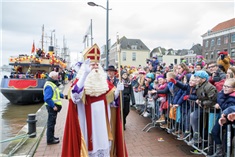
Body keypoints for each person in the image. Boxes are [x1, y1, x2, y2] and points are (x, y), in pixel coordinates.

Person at [61, 44, 127, 157]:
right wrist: (85, 74)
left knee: (103, 141)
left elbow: (111, 100)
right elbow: (75, 97)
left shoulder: (103, 80)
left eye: (97, 64)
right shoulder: (80, 79)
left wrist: (117, 92)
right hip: (87, 120)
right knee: (89, 143)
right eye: (92, 64)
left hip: (103, 119)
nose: (95, 67)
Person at [43, 71, 66, 145]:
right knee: (51, 123)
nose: (58, 78)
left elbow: (57, 93)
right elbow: (47, 98)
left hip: (53, 107)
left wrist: (64, 96)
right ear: (52, 77)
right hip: (51, 107)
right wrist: (53, 106)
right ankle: (50, 140)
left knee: (52, 122)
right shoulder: (49, 85)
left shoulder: (52, 83)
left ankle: (52, 137)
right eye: (56, 76)